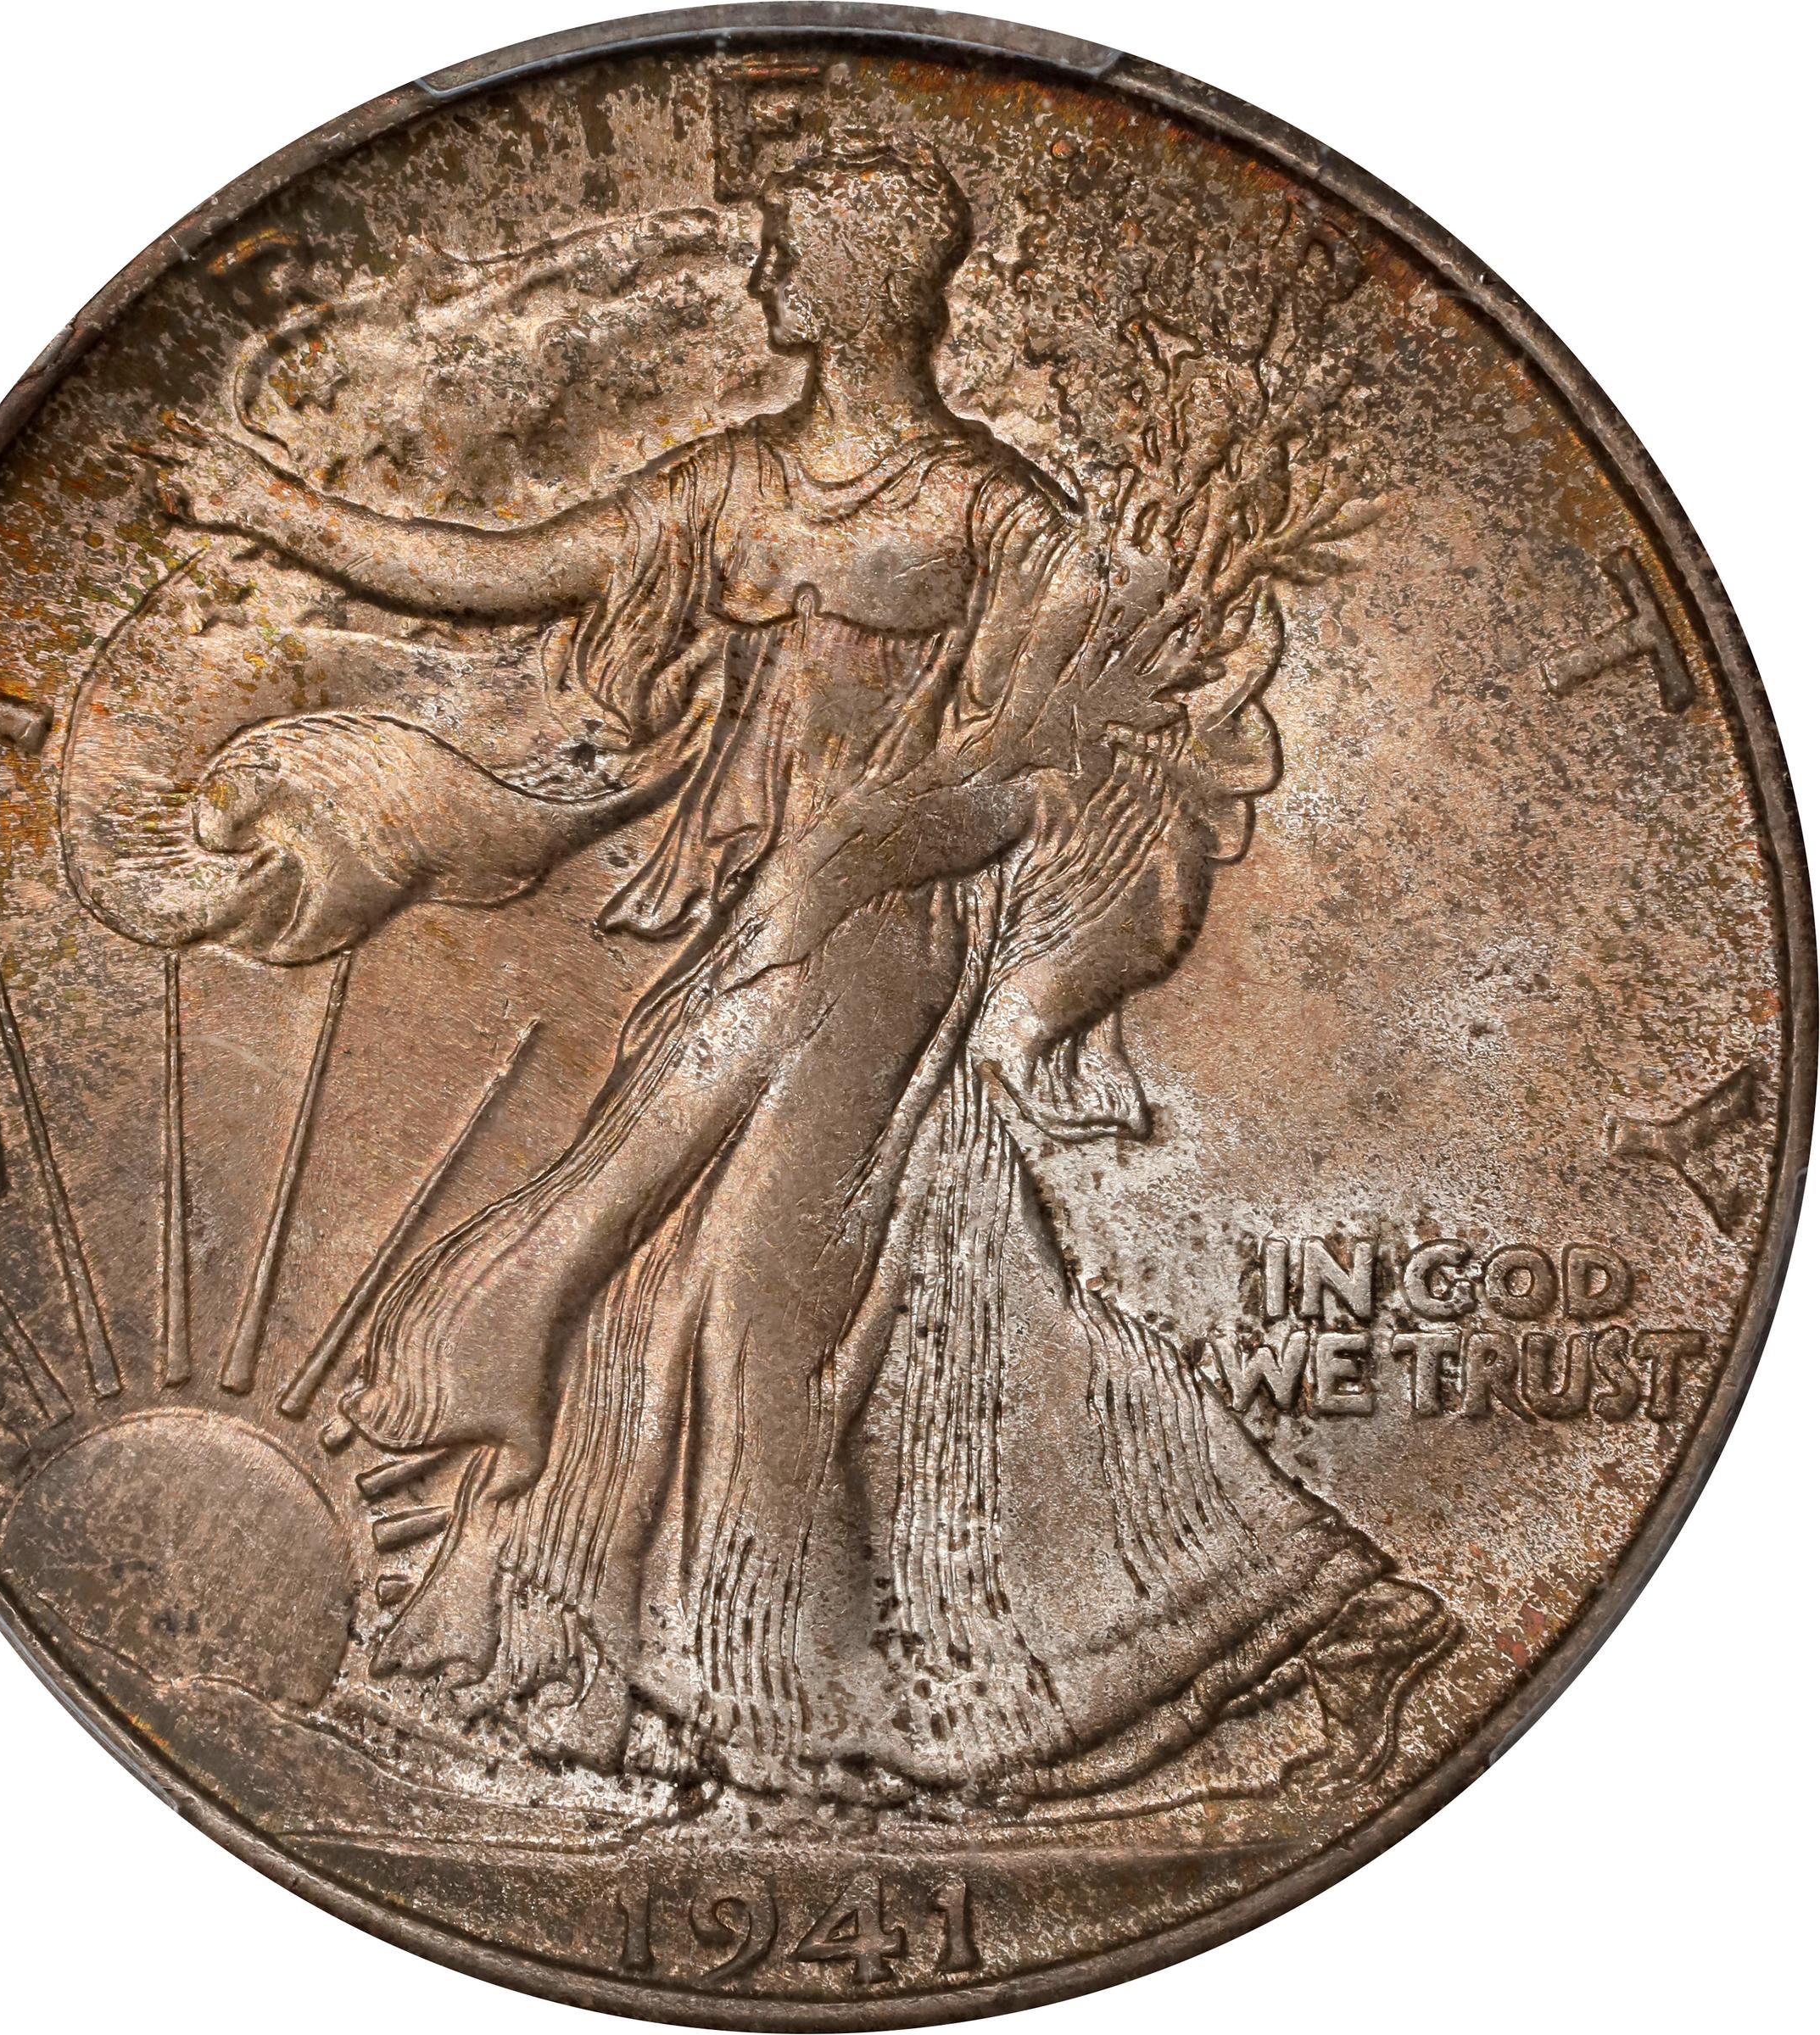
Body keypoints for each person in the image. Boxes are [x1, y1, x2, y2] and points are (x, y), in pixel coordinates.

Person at [150, 142, 1454, 1806]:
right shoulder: (737, 485)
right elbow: (504, 567)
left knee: (756, 1308)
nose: (762, 281)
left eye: (786, 257)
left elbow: (1033, 770)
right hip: (758, 929)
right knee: (666, 1288)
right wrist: (273, 511)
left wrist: (855, 857)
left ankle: (775, 1713)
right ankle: (620, 1682)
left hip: (879, 941)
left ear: (858, 288)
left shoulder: (992, 514)